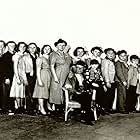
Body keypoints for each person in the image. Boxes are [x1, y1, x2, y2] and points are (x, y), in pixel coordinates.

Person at [49, 39, 72, 111]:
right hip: (58, 73)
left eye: (63, 45)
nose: (61, 47)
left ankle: (64, 107)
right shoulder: (53, 54)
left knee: (65, 90)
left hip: (66, 74)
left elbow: (70, 64)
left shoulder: (67, 55)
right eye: (60, 45)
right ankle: (55, 108)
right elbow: (52, 66)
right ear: (56, 46)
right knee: (56, 90)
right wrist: (55, 77)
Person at [19, 43, 38, 115]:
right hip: (29, 77)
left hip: (36, 76)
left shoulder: (37, 56)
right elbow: (22, 69)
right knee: (29, 93)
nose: (32, 49)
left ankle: (34, 108)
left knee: (35, 93)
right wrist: (25, 79)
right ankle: (29, 110)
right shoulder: (24, 57)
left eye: (34, 47)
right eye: (30, 47)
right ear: (28, 49)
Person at [33, 45, 52, 115]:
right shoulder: (40, 58)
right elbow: (38, 70)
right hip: (42, 75)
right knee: (41, 92)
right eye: (45, 49)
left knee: (47, 92)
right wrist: (39, 80)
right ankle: (41, 108)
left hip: (49, 76)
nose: (47, 50)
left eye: (48, 49)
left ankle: (48, 107)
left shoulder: (50, 58)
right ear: (42, 50)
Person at [10, 42, 27, 114]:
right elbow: (15, 67)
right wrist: (17, 77)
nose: (22, 48)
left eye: (24, 47)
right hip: (18, 74)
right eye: (21, 47)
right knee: (17, 91)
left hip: (24, 74)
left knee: (22, 91)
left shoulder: (25, 55)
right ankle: (18, 107)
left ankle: (21, 107)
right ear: (18, 47)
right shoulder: (16, 55)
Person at [2, 41, 16, 114]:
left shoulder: (15, 54)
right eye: (10, 46)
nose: (12, 47)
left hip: (14, 77)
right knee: (8, 93)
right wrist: (6, 78)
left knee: (13, 93)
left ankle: (12, 107)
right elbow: (4, 68)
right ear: (7, 46)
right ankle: (8, 108)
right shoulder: (5, 55)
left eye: (13, 45)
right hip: (8, 77)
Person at [101, 48, 116, 113]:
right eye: (109, 53)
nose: (111, 54)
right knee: (107, 96)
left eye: (112, 53)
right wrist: (107, 81)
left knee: (110, 95)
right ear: (106, 54)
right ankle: (105, 109)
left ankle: (108, 108)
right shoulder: (105, 61)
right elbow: (105, 72)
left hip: (112, 81)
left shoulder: (111, 61)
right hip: (108, 81)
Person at [0, 40, 6, 113]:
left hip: (2, 78)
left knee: (2, 93)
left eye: (2, 46)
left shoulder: (4, 56)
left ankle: (2, 108)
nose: (0, 47)